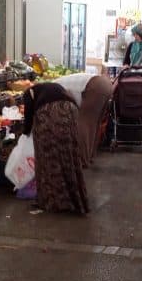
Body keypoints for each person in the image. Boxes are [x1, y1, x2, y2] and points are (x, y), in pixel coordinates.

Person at [23, 82, 89, 214]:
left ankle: (53, 202)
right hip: (71, 111)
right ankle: (75, 200)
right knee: (68, 154)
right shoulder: (51, 88)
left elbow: (29, 116)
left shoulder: (27, 94)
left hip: (50, 113)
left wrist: (24, 134)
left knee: (48, 157)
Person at [53, 72, 113, 168]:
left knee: (84, 123)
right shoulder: (56, 83)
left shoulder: (52, 88)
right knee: (94, 124)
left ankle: (82, 160)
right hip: (106, 84)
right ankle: (90, 156)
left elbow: (68, 99)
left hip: (95, 86)